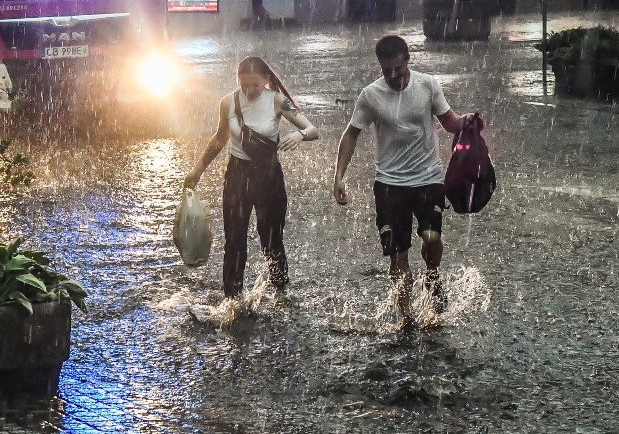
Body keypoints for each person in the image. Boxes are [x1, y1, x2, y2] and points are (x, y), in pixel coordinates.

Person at [332, 35, 471, 318]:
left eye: (399, 69)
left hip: (428, 178)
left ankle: (432, 276)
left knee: (431, 238)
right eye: (387, 71)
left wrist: (466, 123)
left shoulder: (428, 85)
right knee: (398, 255)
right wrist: (339, 176)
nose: (394, 76)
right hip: (389, 185)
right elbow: (350, 135)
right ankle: (405, 318)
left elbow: (449, 123)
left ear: (408, 60)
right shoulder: (370, 95)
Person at [184, 56, 318, 298]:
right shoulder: (228, 102)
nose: (250, 90)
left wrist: (299, 136)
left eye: (255, 85)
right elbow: (219, 139)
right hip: (237, 176)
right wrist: (197, 171)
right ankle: (232, 300)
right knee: (234, 242)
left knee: (271, 239)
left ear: (266, 80)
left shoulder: (277, 101)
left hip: (269, 177)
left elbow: (312, 129)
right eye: (244, 85)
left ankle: (280, 292)